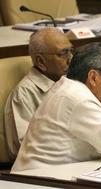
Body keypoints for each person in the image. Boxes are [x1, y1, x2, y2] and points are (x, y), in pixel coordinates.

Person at [11, 42, 101, 172]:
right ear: (93, 77)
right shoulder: (82, 100)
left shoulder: (66, 87)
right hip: (39, 180)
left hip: (37, 176)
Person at [4, 27, 73, 160]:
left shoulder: (68, 83)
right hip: (42, 168)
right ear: (41, 62)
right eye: (63, 53)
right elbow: (26, 148)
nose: (70, 59)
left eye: (71, 51)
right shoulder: (24, 94)